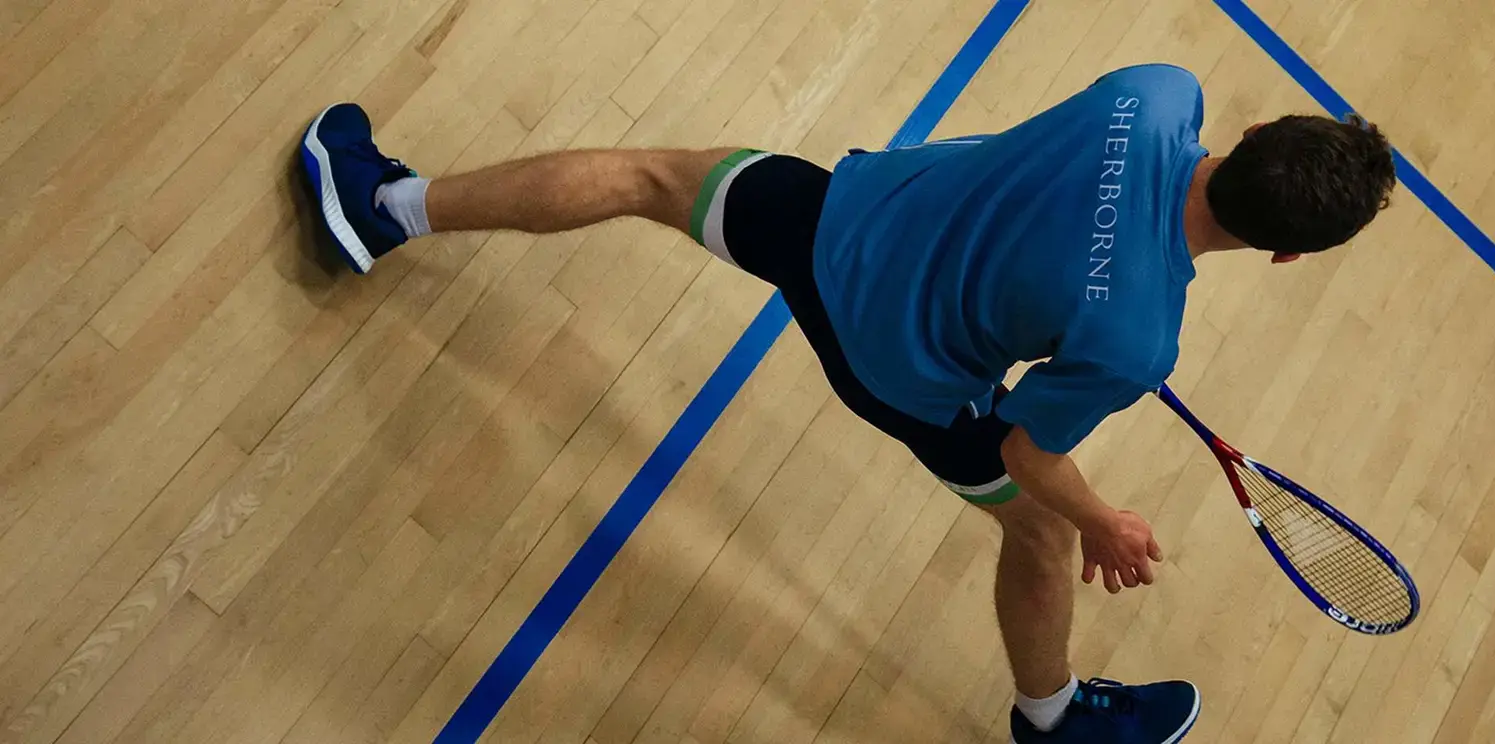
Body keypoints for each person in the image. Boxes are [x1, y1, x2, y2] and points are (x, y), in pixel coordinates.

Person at [298, 62, 1395, 744]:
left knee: (643, 178)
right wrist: (1103, 516)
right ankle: (1051, 720)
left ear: (1252, 133)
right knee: (1046, 534)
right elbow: (1029, 448)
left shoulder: (1155, 92)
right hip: (901, 374)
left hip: (840, 220)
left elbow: (1075, 216)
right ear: (1286, 255)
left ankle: (386, 205)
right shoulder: (1135, 337)